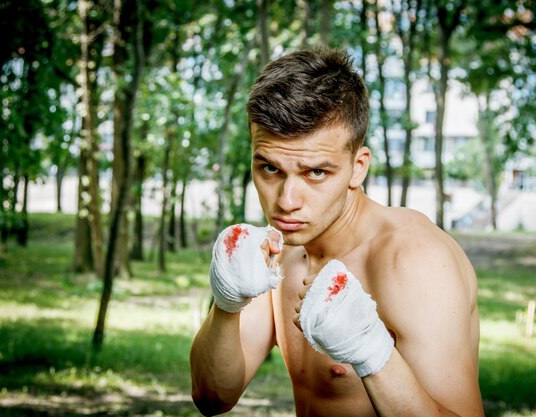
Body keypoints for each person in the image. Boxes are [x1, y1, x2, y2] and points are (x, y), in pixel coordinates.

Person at [189, 47, 484, 417]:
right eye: (269, 169)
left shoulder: (412, 261)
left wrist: (373, 353)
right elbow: (212, 397)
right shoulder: (277, 251)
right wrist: (227, 305)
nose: (286, 201)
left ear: (358, 167)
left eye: (315, 172)